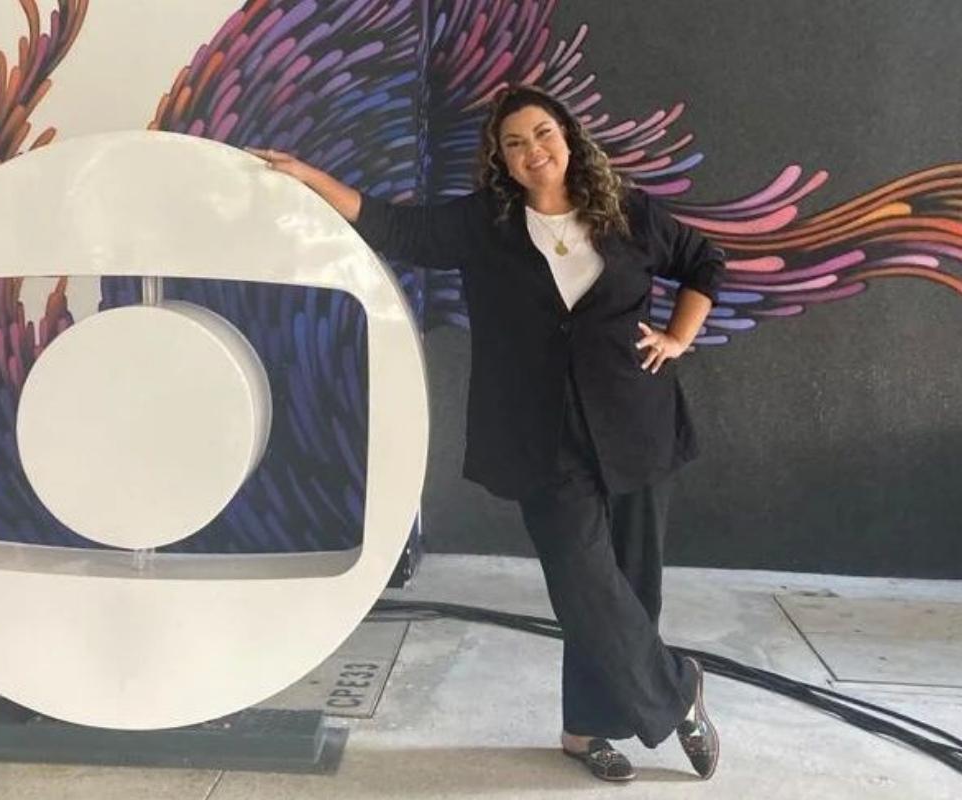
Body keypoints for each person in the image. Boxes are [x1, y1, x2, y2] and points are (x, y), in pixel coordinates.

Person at [247, 83, 723, 783]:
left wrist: (679, 336)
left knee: (628, 587)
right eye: (515, 143)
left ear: (568, 136)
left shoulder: (627, 212)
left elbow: (704, 261)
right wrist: (311, 177)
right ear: (501, 158)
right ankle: (679, 691)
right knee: (584, 582)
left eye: (543, 133)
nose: (534, 150)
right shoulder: (485, 224)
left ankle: (585, 729)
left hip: (634, 423)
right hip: (539, 436)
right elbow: (394, 228)